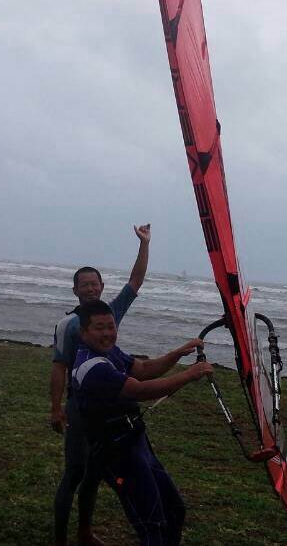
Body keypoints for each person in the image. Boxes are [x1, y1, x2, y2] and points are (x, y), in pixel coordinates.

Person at [70, 300, 211, 546]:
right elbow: (140, 390)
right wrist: (190, 374)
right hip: (117, 454)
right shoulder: (92, 367)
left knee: (174, 510)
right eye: (99, 328)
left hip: (136, 443)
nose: (107, 333)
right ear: (84, 332)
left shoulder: (109, 351)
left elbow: (144, 368)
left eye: (111, 326)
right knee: (152, 526)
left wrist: (178, 353)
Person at [52, 224, 151, 546]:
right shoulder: (68, 324)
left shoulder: (110, 312)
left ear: (102, 286)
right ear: (75, 290)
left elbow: (135, 281)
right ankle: (60, 539)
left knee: (94, 473)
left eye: (94, 283)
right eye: (84, 285)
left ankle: (84, 533)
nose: (90, 289)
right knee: (75, 472)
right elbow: (59, 366)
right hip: (79, 406)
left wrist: (144, 244)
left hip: (106, 406)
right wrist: (56, 408)